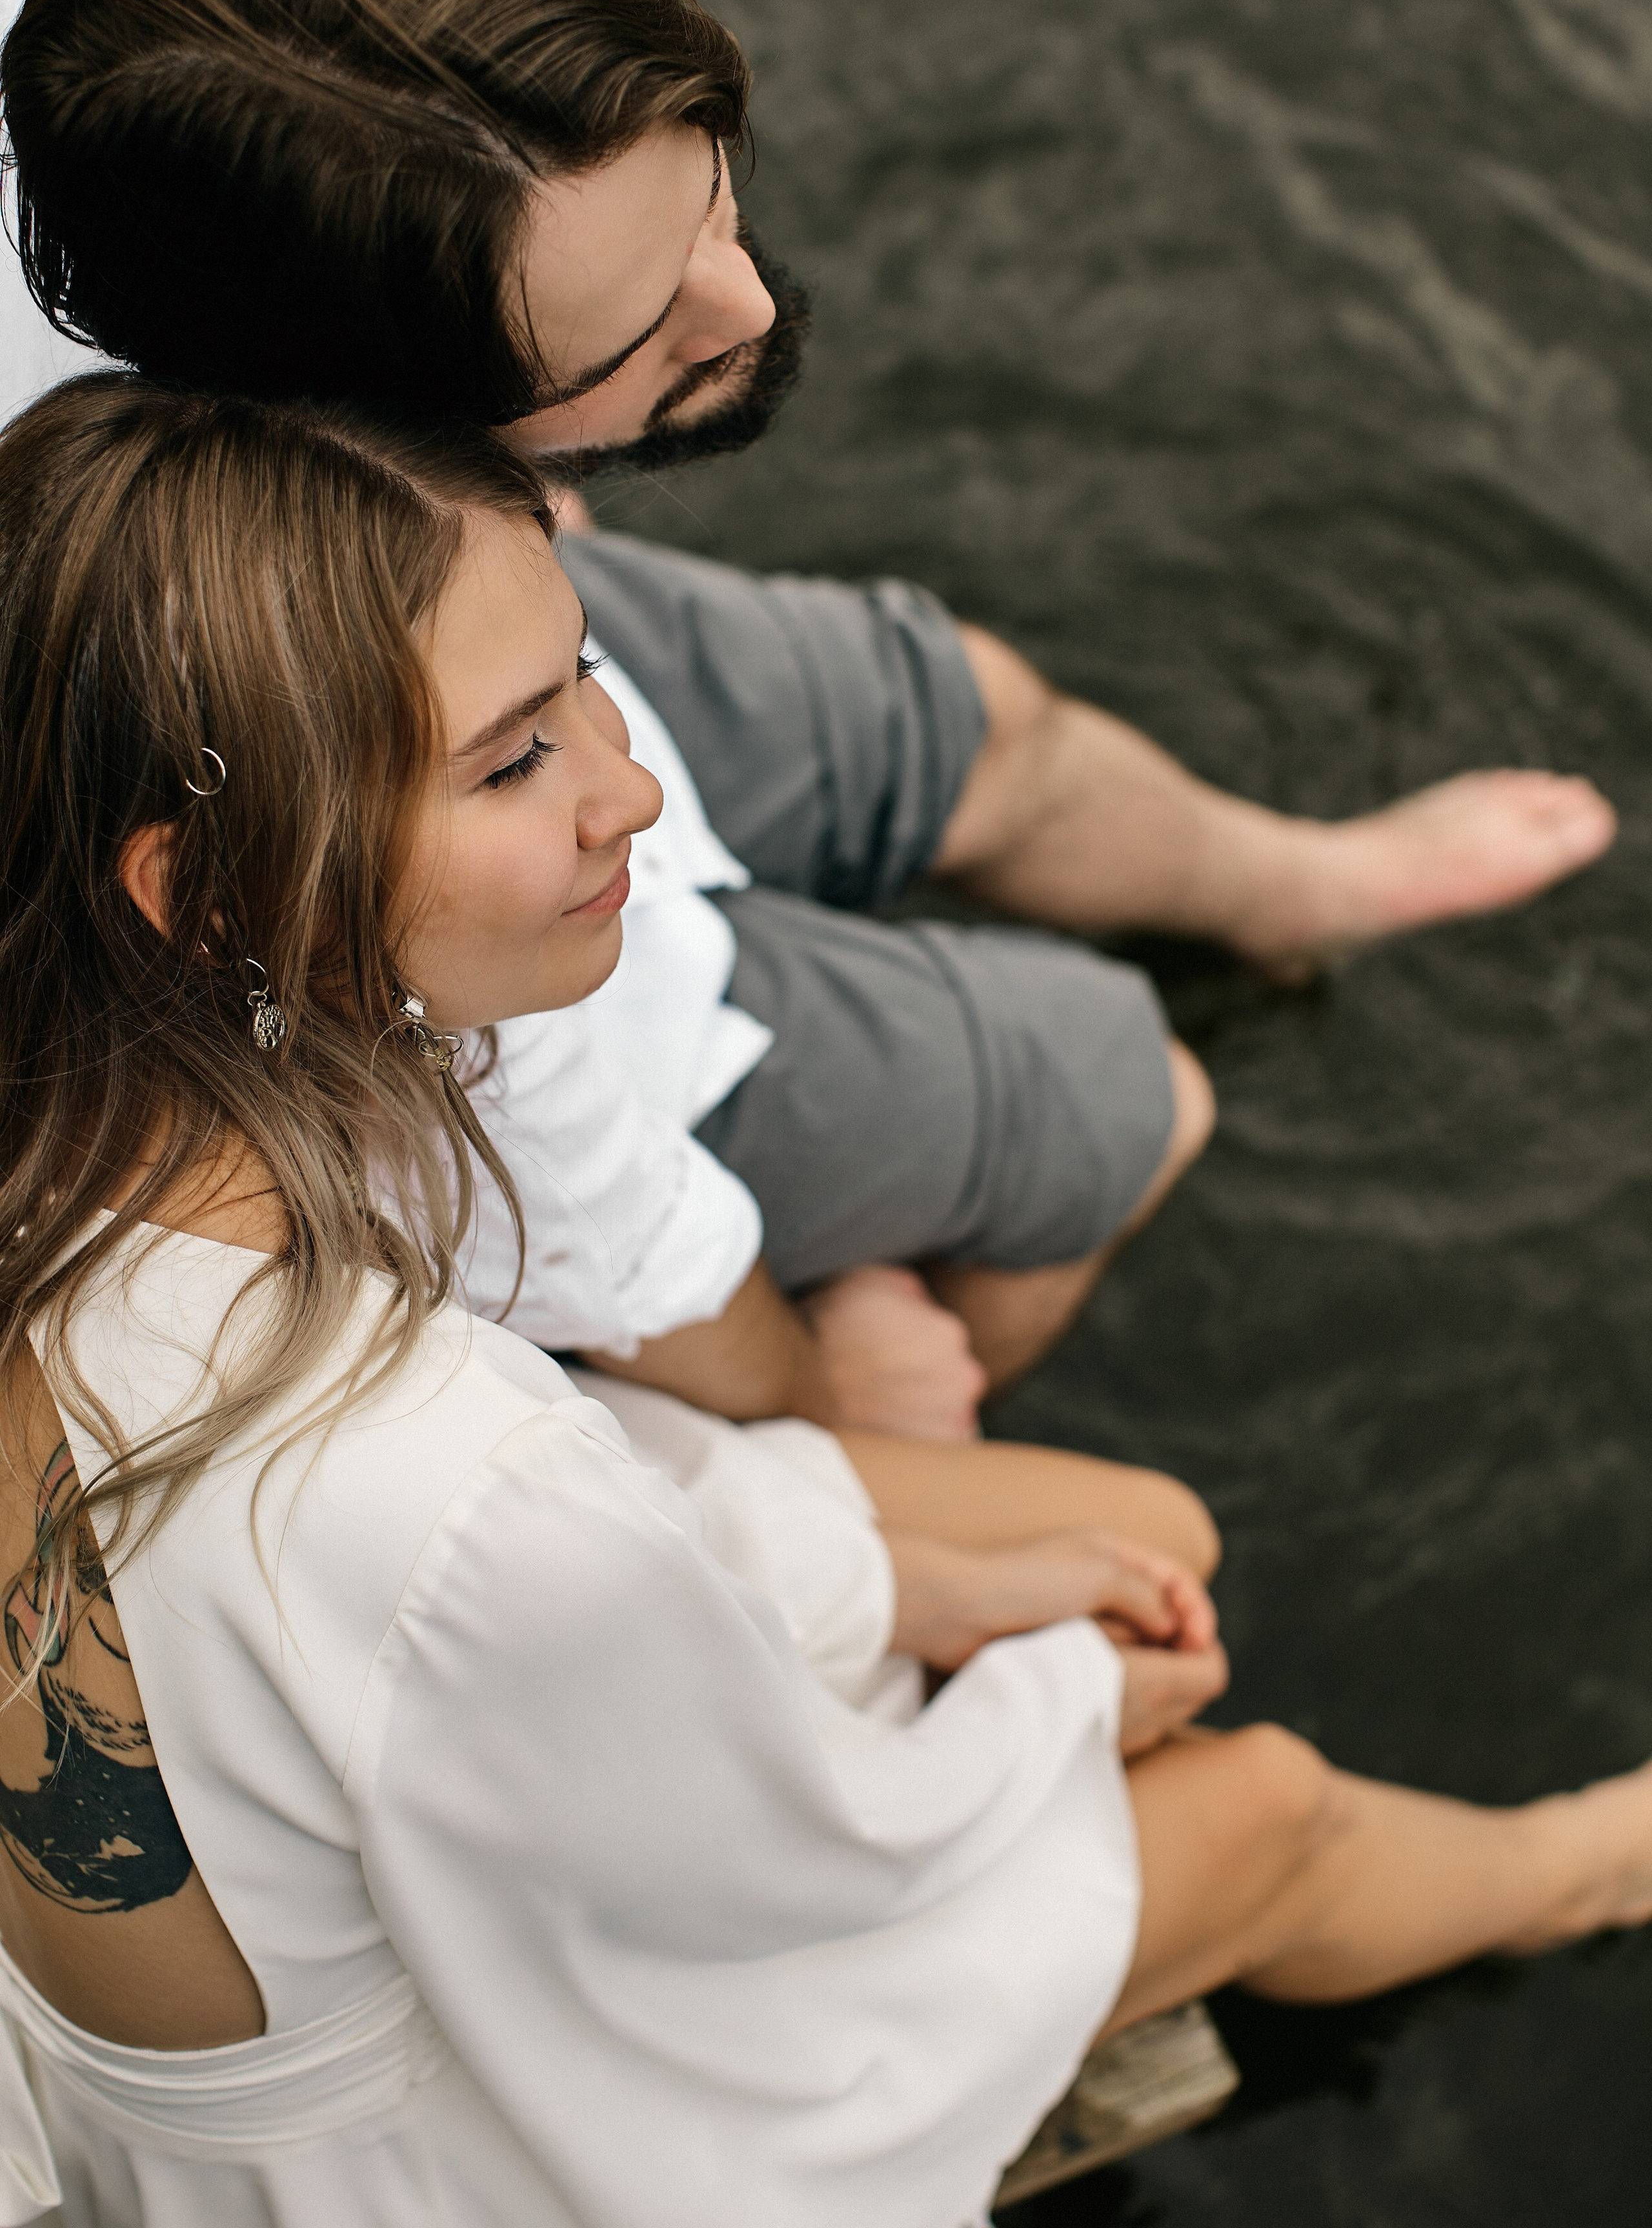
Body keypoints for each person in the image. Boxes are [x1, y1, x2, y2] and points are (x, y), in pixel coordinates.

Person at [0, 370, 1646, 2228]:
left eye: (588, 681)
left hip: (229, 2003)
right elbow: (773, 1885)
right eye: (516, 755)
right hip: (464, 2160)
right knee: (1262, 1802)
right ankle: (1586, 1865)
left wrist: (929, 1588)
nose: (629, 784)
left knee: (1124, 1536)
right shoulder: (447, 1474)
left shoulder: (85, 1163)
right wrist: (1049, 1700)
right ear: (207, 892)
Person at [0, 0, 1618, 1439]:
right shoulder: (179, 708)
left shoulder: (137, 52)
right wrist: (811, 1407)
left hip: (460, 598)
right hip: (433, 953)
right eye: (622, 341)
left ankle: (1293, 891)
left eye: (710, 189)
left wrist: (527, 492)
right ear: (330, 417)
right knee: (1124, 1097)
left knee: (960, 709)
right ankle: (913, 1280)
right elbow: (537, 1142)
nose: (751, 305)